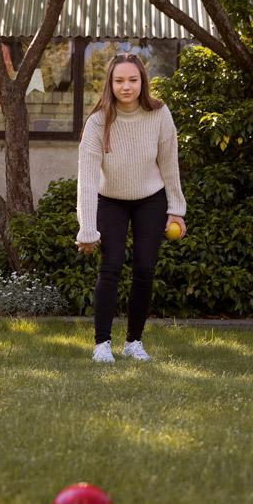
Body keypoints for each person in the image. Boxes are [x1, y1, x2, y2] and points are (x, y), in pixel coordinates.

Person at [76, 53, 186, 363]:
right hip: (110, 200)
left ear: (143, 82)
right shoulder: (98, 122)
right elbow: (86, 178)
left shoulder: (159, 114)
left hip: (151, 199)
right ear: (110, 83)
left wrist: (176, 208)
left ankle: (134, 341)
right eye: (120, 80)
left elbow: (169, 164)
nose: (127, 86)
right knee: (110, 267)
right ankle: (102, 345)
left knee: (144, 269)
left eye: (133, 80)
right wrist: (87, 226)